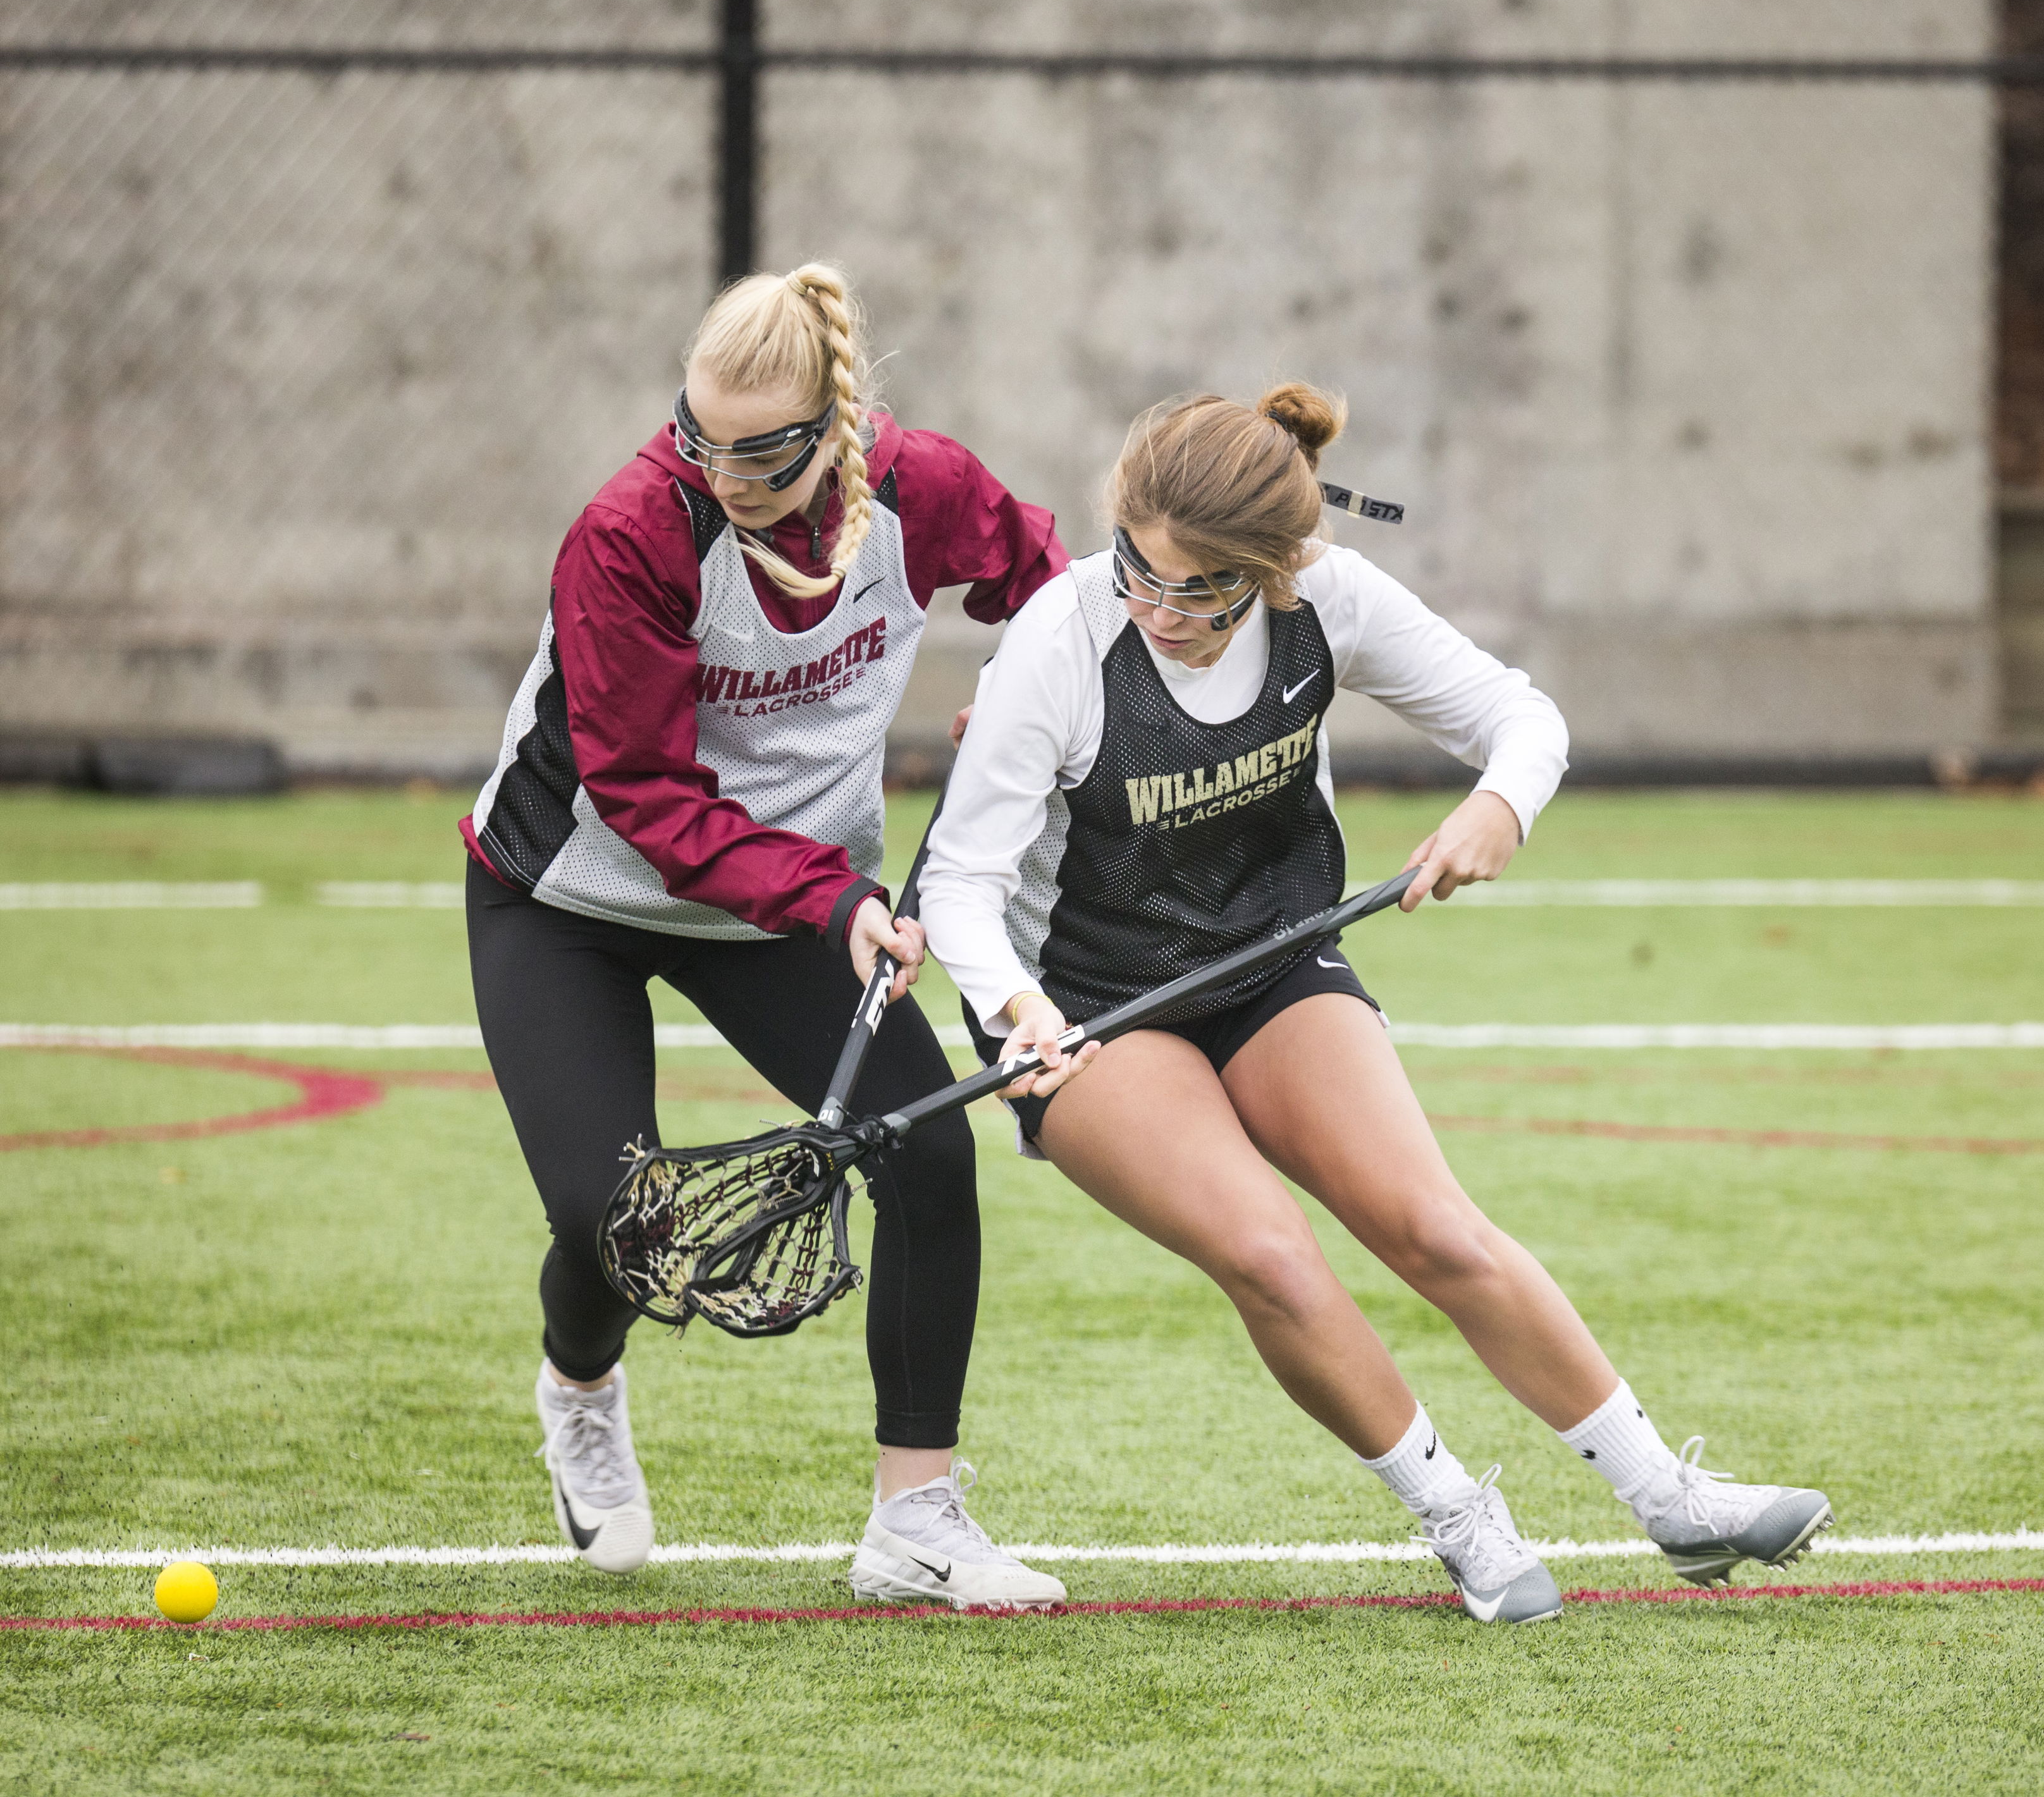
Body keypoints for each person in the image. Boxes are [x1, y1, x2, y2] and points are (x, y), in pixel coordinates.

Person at [918, 383, 1833, 1625]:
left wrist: (1494, 809)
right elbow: (960, 887)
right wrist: (1017, 1009)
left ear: (1273, 573)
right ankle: (1458, 1516)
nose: (1159, 608)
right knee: (1269, 1254)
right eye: (1139, 569)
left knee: (1433, 1227)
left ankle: (1667, 1496)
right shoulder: (1057, 642)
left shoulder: (1327, 601)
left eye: (1202, 591)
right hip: (1082, 1003)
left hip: (1274, 956)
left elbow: (1519, 717)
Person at [462, 262, 1071, 1609]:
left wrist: (1025, 703)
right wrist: (837, 900)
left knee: (925, 1149)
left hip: (793, 897)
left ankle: (914, 1521)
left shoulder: (924, 489)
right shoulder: (630, 529)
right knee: (613, 1217)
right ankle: (578, 1381)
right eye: (696, 437)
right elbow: (643, 796)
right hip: (571, 893)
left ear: (834, 431)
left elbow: (1051, 594)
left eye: (760, 451)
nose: (719, 471)